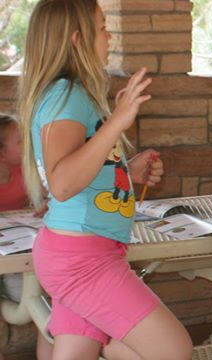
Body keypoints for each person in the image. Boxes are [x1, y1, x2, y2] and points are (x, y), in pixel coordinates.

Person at [18, 0, 190, 358]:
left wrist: (125, 168)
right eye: (102, 27)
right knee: (174, 349)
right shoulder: (66, 95)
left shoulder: (71, 95)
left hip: (82, 252)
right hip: (82, 259)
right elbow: (62, 183)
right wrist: (117, 121)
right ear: (79, 40)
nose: (109, 35)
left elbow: (80, 167)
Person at [0, 114, 53, 360]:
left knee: (42, 302)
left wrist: (46, 203)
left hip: (16, 254)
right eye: (21, 141)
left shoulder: (23, 170)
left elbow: (49, 193)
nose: (28, 146)